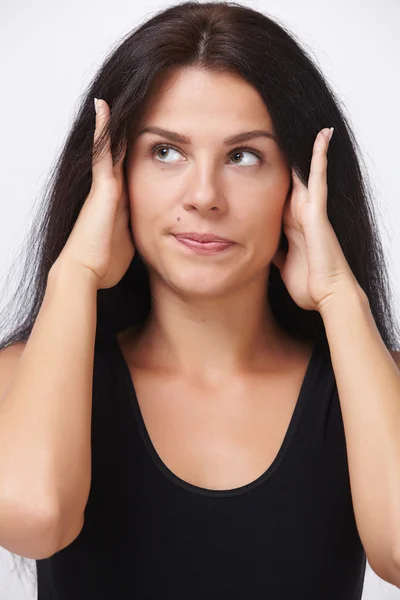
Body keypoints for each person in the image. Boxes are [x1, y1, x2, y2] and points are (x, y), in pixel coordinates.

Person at [0, 2, 399, 598]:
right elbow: (34, 519)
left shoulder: (366, 391)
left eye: (244, 156)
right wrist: (75, 271)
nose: (205, 196)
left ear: (299, 188)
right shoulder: (20, 379)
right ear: (116, 177)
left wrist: (341, 295)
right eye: (166, 151)